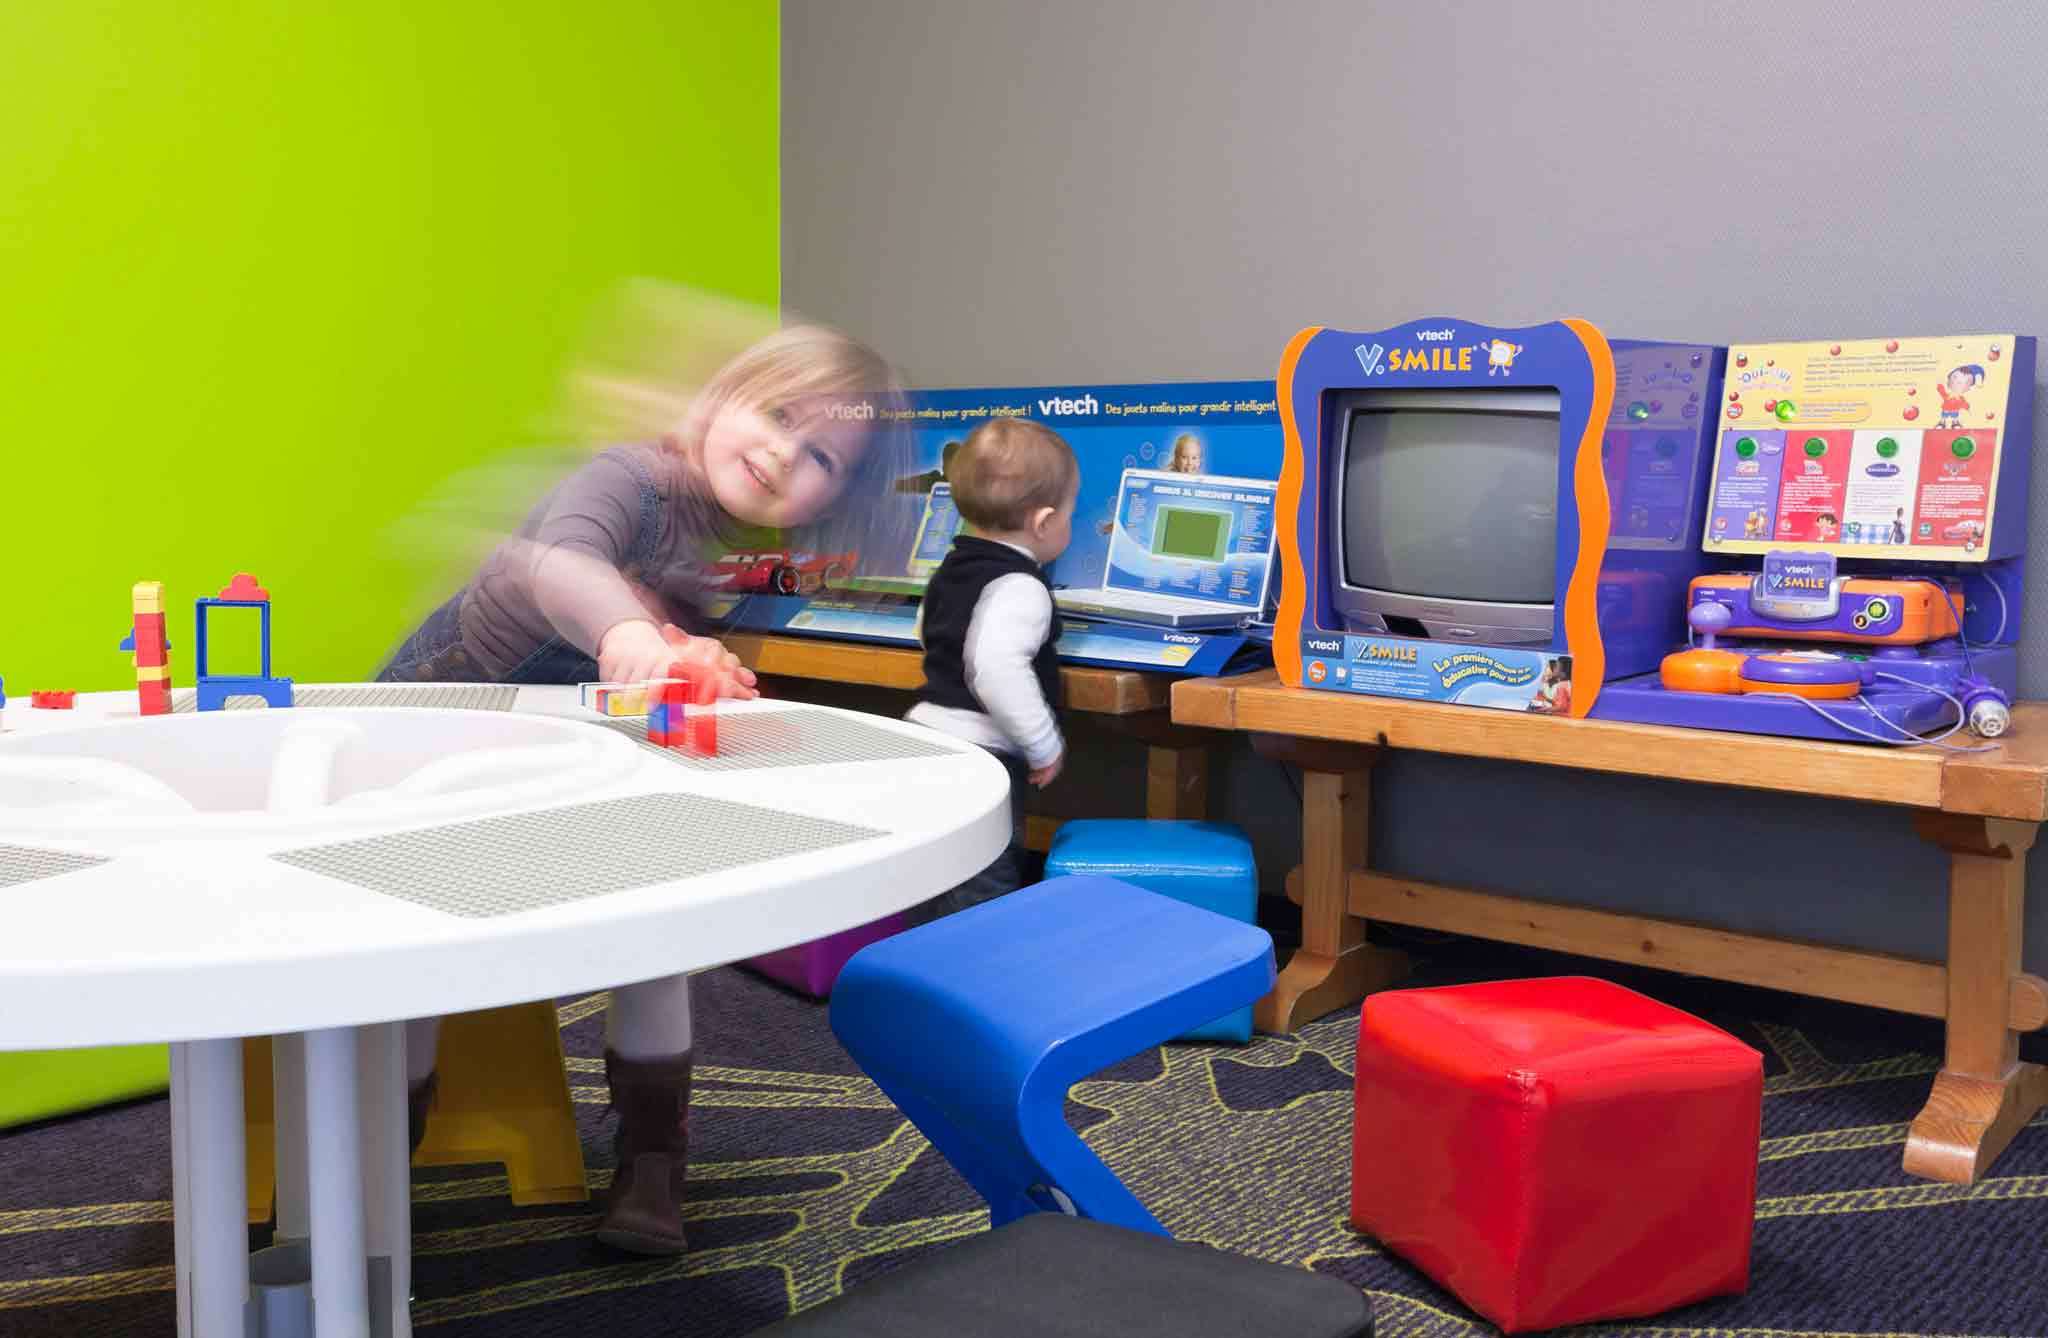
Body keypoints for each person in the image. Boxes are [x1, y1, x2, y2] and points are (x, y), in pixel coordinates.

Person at [377, 323, 911, 1255]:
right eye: (777, 414)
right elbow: (562, 561)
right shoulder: (631, 479)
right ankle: (384, 1142)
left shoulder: (726, 543)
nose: (785, 452)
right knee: (419, 938)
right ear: (725, 395)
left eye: (822, 455)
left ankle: (654, 1153)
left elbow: (656, 663)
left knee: (660, 923)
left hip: (561, 748)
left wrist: (695, 658)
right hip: (440, 727)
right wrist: (630, 634)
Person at [905, 418, 1078, 920]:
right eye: (1070, 513)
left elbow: (928, 630)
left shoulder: (951, 568)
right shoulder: (1022, 587)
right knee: (982, 888)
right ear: (1044, 523)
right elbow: (996, 671)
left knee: (929, 881)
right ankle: (977, 966)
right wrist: (1044, 745)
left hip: (926, 736)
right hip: (980, 758)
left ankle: (921, 960)